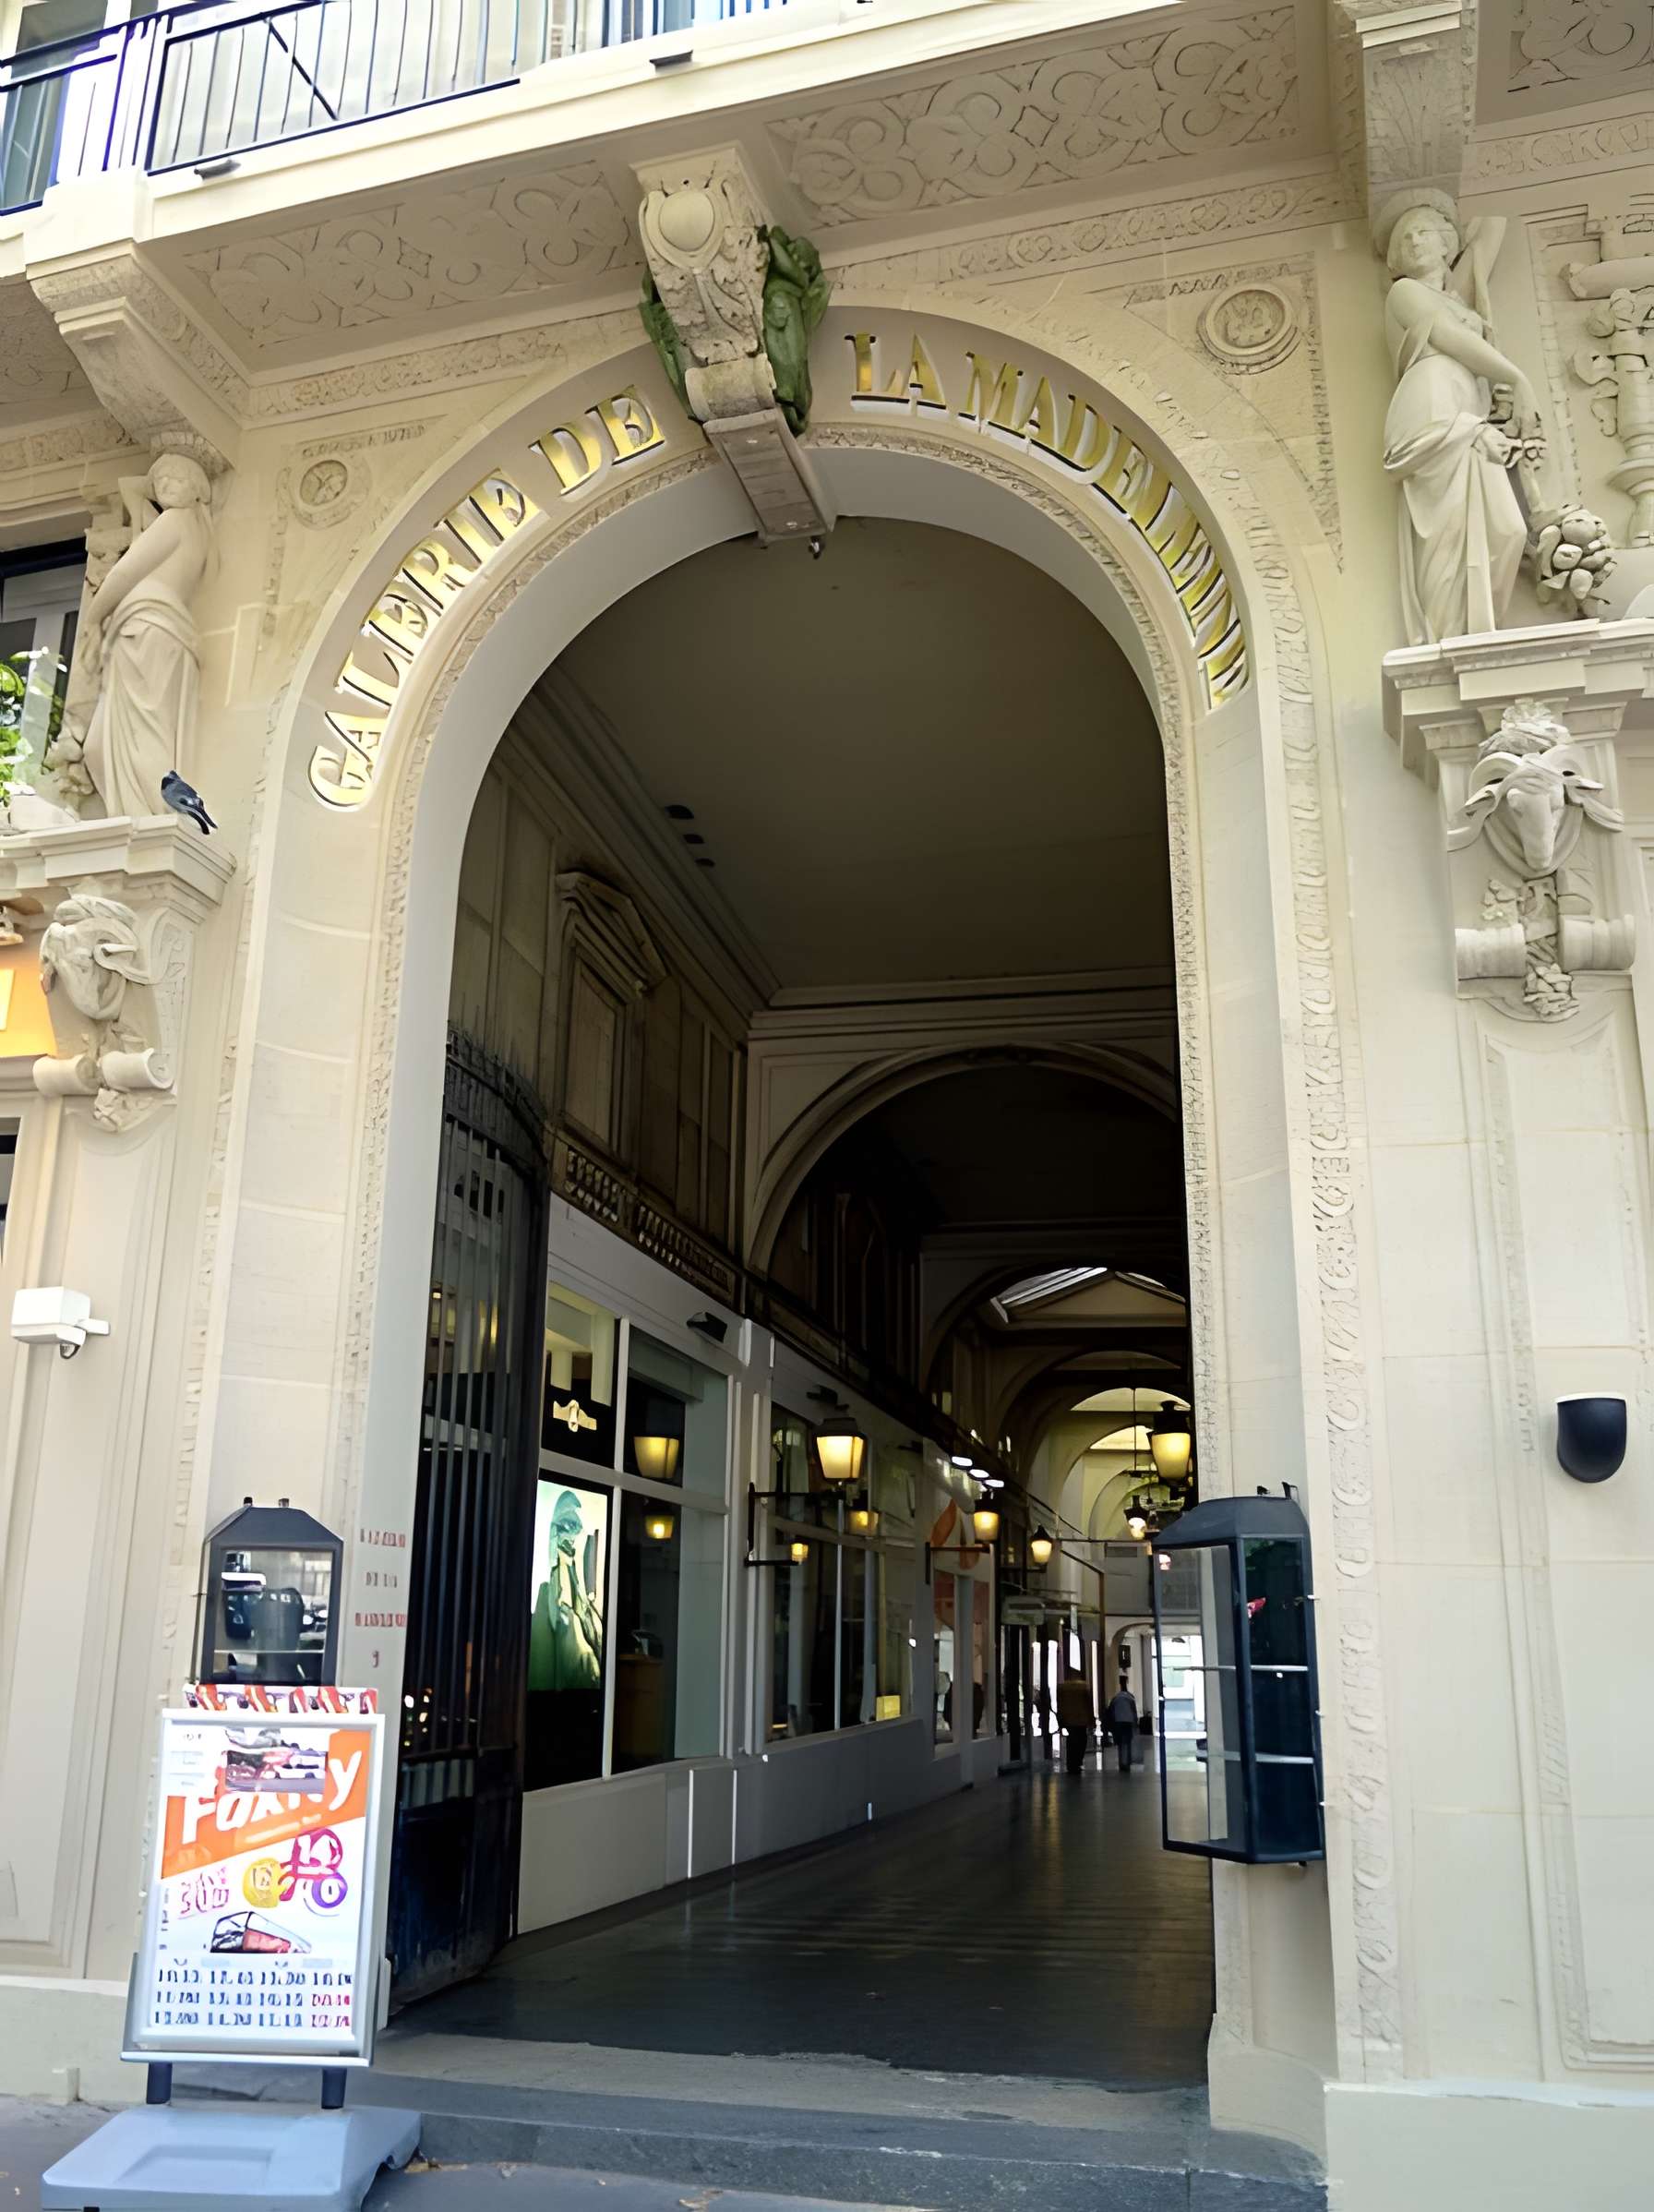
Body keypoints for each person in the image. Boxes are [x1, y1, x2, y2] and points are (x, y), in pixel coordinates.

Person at [1055, 1665, 1095, 1775]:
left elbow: (1060, 1704)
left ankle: (1071, 1763)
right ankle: (1077, 1762)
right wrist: (1091, 1718)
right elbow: (1089, 1703)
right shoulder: (1083, 1686)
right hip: (1081, 1719)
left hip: (1069, 1719)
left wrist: (1061, 1718)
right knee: (1082, 1741)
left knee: (1071, 1741)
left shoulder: (1063, 1687)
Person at [1107, 1677, 1140, 1772]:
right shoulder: (1130, 1697)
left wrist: (1111, 1724)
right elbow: (1134, 1711)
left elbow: (1111, 1711)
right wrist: (1135, 1723)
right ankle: (1127, 1762)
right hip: (1128, 1722)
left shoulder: (1116, 1698)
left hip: (1118, 1722)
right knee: (1127, 1743)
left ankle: (1122, 1763)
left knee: (1120, 1744)